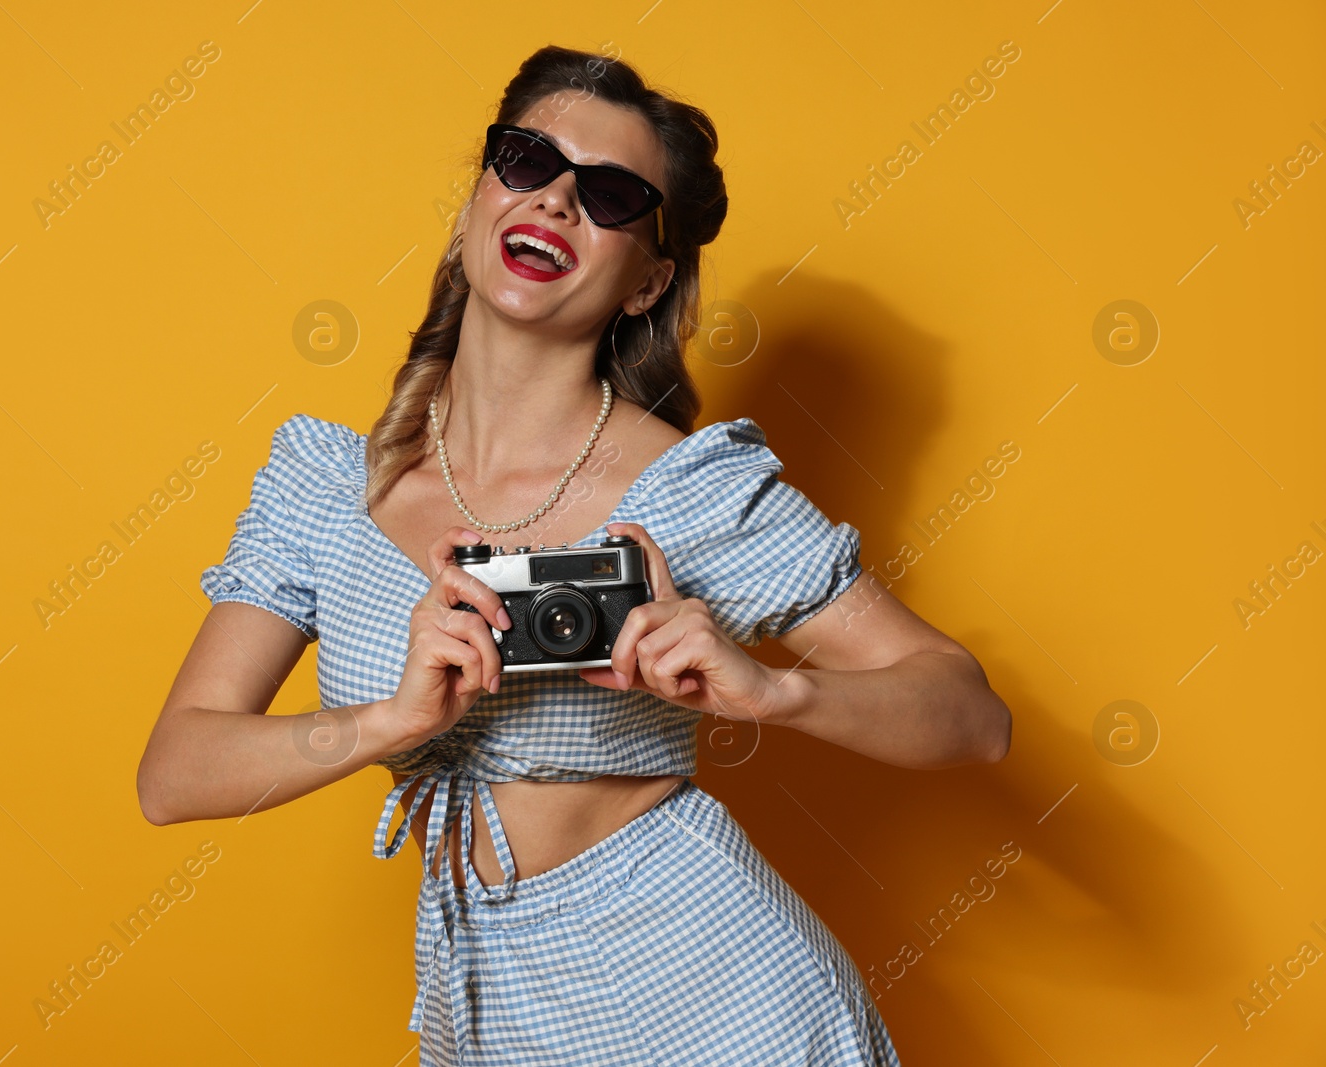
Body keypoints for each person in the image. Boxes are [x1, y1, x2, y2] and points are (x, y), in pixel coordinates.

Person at [138, 44, 1011, 1065]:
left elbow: (972, 716)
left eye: (608, 194)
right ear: (474, 202)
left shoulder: (690, 492)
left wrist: (773, 693)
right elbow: (177, 774)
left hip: (714, 1002)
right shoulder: (330, 486)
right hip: (485, 1009)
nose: (554, 199)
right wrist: (390, 720)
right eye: (524, 159)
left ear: (648, 282)